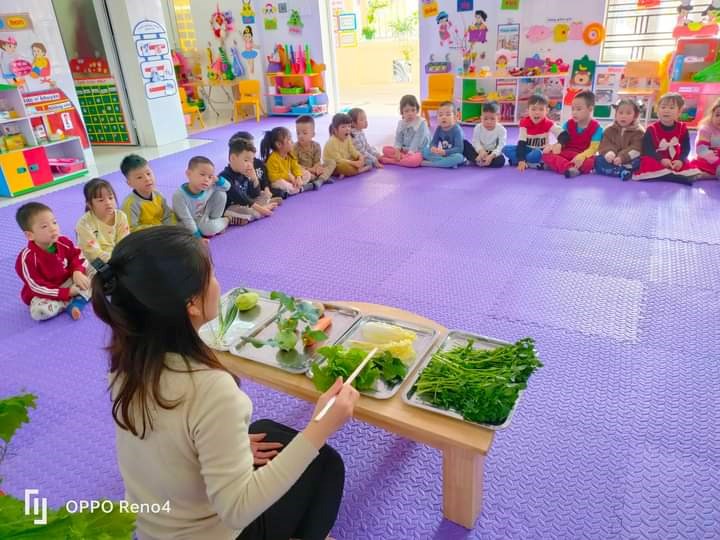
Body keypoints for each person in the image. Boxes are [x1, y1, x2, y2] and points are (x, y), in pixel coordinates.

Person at [92, 226, 358, 540]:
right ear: (192, 303)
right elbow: (237, 510)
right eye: (212, 275)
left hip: (155, 529)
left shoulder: (127, 362)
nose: (218, 284)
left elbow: (168, 442)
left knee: (266, 433)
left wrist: (227, 448)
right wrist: (321, 426)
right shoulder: (212, 389)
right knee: (325, 464)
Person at [15, 202, 90, 321]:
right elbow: (37, 287)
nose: (53, 228)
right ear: (30, 235)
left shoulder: (63, 242)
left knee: (96, 269)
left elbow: (78, 256)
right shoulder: (26, 259)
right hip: (47, 293)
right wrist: (66, 293)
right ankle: (74, 300)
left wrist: (77, 272)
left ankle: (75, 301)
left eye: (54, 222)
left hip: (70, 280)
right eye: (44, 226)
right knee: (39, 311)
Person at [633, 92, 701, 184]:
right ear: (657, 111)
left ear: (679, 112)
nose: (666, 110)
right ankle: (675, 177)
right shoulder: (652, 129)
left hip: (674, 158)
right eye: (663, 107)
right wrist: (661, 159)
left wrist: (680, 160)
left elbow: (686, 147)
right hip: (657, 158)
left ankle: (669, 174)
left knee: (688, 165)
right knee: (647, 161)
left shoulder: (682, 128)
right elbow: (647, 149)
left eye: (671, 108)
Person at [543, 90, 603, 178]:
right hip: (566, 152)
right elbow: (562, 140)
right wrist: (555, 146)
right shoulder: (568, 124)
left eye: (578, 109)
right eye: (573, 109)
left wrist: (582, 156)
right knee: (546, 154)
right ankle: (570, 168)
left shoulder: (597, 128)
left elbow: (593, 149)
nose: (574, 112)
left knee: (590, 163)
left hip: (582, 155)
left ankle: (559, 166)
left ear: (590, 109)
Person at [219, 139, 278, 224]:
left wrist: (254, 178)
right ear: (233, 158)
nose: (250, 164)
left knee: (264, 194)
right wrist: (262, 209)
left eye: (252, 161)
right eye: (246, 160)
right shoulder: (225, 177)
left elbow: (254, 194)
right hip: (230, 207)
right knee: (246, 211)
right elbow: (239, 197)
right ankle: (258, 211)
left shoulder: (243, 173)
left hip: (245, 204)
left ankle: (251, 214)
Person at [172, 156, 234, 237]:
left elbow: (227, 187)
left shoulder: (208, 186)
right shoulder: (179, 196)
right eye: (202, 174)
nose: (206, 179)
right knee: (185, 232)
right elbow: (187, 219)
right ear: (188, 174)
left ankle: (219, 220)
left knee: (221, 193)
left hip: (203, 215)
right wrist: (198, 237)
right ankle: (225, 221)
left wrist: (217, 179)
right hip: (186, 222)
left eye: (210, 176)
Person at [75, 178, 130, 265]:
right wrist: (115, 260)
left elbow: (124, 243)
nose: (108, 202)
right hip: (96, 262)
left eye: (110, 198)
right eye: (101, 200)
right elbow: (92, 254)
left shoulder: (121, 216)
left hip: (118, 258)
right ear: (89, 204)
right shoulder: (84, 224)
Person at [503, 94, 562, 171]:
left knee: (537, 153)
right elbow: (521, 143)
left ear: (547, 111)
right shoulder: (524, 122)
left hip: (540, 150)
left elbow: (563, 134)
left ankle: (518, 162)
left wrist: (556, 145)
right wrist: (521, 160)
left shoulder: (549, 123)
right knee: (505, 149)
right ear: (528, 110)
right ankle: (531, 164)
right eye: (533, 109)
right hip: (526, 149)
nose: (537, 112)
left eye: (541, 109)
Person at [120, 154, 175, 231]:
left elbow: (168, 215)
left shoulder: (158, 195)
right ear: (130, 183)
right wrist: (158, 229)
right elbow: (131, 228)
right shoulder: (130, 204)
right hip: (147, 235)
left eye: (148, 174)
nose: (147, 179)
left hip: (164, 231)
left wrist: (170, 229)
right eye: (139, 177)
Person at [595, 99, 645, 181]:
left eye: (628, 113)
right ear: (616, 114)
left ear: (635, 116)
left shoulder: (639, 131)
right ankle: (621, 171)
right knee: (598, 160)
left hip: (629, 159)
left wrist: (622, 157)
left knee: (640, 161)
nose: (623, 116)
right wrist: (609, 152)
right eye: (620, 113)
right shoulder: (609, 129)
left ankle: (619, 170)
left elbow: (637, 148)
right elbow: (604, 143)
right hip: (613, 160)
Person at [229, 131, 286, 201]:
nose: (252, 149)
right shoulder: (240, 168)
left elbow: (265, 178)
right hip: (252, 193)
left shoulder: (258, 163)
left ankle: (266, 200)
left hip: (260, 190)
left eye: (253, 146)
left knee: (280, 192)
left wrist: (266, 188)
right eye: (249, 147)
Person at [380, 95, 429, 168]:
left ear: (417, 110)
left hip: (418, 151)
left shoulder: (421, 123)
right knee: (385, 149)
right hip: (404, 150)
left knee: (414, 161)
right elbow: (398, 140)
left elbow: (417, 142)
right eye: (406, 111)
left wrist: (409, 154)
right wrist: (397, 151)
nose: (410, 113)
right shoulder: (401, 123)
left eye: (413, 110)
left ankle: (390, 161)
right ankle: (403, 159)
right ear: (402, 112)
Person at [261, 126, 314, 195]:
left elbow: (295, 167)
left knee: (307, 174)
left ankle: (297, 186)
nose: (292, 141)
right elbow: (272, 177)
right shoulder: (273, 159)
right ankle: (299, 188)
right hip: (279, 180)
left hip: (291, 178)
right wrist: (289, 177)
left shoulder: (290, 153)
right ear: (279, 144)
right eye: (289, 140)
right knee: (280, 184)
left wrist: (298, 177)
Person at [323, 113, 371, 178]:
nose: (347, 129)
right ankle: (359, 171)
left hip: (347, 160)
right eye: (343, 127)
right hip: (336, 164)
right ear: (335, 130)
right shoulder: (332, 142)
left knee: (364, 158)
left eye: (349, 126)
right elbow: (338, 160)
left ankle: (352, 170)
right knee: (343, 166)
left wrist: (360, 157)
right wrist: (354, 163)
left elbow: (352, 150)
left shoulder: (348, 137)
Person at [421, 101, 465, 168]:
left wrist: (445, 152)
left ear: (455, 117)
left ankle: (433, 164)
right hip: (442, 155)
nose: (443, 117)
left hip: (454, 154)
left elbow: (459, 149)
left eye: (448, 115)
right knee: (424, 150)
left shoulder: (457, 130)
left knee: (459, 157)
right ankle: (447, 163)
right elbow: (433, 142)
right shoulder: (439, 128)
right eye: (440, 115)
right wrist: (433, 148)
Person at [294, 115, 335, 185]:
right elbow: (295, 165)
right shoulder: (295, 147)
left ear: (313, 134)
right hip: (304, 171)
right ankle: (321, 178)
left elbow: (317, 161)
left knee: (331, 162)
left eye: (304, 133)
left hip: (315, 169)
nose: (300, 136)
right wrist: (310, 170)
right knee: (300, 172)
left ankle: (320, 179)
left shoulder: (316, 146)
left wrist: (316, 168)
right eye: (298, 133)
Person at [464, 101, 507, 167]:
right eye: (485, 119)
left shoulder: (501, 130)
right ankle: (479, 160)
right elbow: (475, 142)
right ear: (481, 118)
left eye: (492, 119)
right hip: (478, 151)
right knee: (464, 143)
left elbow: (501, 146)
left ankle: (479, 161)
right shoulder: (478, 127)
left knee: (501, 160)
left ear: (498, 118)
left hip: (491, 153)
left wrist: (491, 156)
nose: (488, 122)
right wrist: (481, 151)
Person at [693, 96, 720, 177]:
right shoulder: (706, 129)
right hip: (708, 160)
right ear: (712, 115)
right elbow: (701, 150)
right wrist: (717, 162)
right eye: (717, 115)